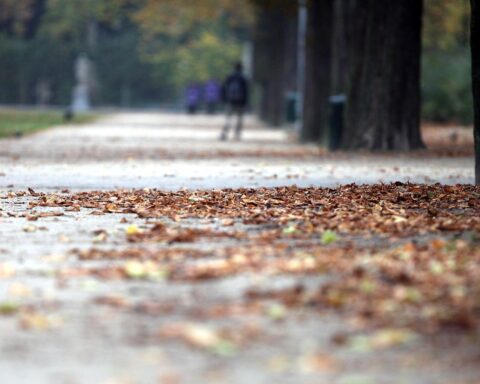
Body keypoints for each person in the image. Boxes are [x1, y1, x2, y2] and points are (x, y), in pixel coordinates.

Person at [220, 62, 249, 141]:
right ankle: (237, 134)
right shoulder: (243, 77)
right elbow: (246, 91)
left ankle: (224, 133)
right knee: (239, 119)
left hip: (230, 101)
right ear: (241, 68)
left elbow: (224, 88)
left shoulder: (230, 76)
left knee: (228, 118)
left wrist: (224, 99)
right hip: (240, 102)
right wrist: (245, 102)